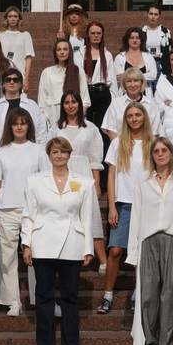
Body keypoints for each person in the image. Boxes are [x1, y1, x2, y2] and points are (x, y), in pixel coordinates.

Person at [21, 137, 97, 345]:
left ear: (69, 154)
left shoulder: (84, 182)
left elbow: (87, 217)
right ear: (49, 155)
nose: (59, 155)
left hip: (73, 243)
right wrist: (26, 244)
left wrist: (88, 248)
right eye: (55, 152)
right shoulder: (34, 181)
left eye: (63, 152)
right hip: (42, 243)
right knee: (44, 297)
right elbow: (28, 214)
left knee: (70, 298)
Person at [128, 137, 173, 345]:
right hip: (148, 239)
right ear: (151, 155)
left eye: (164, 150)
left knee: (170, 293)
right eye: (156, 151)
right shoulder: (143, 181)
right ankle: (150, 344)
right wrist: (133, 251)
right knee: (148, 294)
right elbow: (136, 216)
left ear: (171, 153)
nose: (160, 154)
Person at [0, 108, 49, 315]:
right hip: (7, 208)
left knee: (36, 255)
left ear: (29, 125)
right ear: (10, 126)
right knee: (7, 256)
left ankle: (38, 297)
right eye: (15, 123)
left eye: (23, 123)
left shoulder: (39, 150)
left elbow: (45, 180)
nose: (19, 127)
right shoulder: (1, 152)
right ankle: (12, 301)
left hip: (33, 209)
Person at [98, 103, 154, 314]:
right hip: (123, 203)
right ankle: (107, 294)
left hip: (147, 204)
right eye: (130, 115)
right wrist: (112, 206)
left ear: (144, 117)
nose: (134, 118)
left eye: (138, 114)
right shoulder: (117, 143)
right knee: (115, 250)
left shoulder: (153, 142)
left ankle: (137, 294)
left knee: (142, 251)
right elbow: (111, 176)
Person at [55, 90, 108, 269]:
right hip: (63, 174)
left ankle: (103, 260)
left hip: (84, 174)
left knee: (91, 216)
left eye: (74, 102)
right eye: (67, 102)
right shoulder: (56, 128)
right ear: (62, 106)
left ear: (79, 104)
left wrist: (97, 184)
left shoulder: (90, 128)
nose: (70, 106)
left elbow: (94, 158)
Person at [0, 68, 48, 164]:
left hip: (27, 156)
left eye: (15, 80)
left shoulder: (32, 106)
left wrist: (42, 154)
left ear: (20, 84)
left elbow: (41, 132)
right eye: (8, 80)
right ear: (3, 84)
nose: (12, 82)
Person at [100, 68, 163, 140]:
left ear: (142, 83)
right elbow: (111, 130)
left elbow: (155, 132)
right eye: (129, 81)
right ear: (124, 84)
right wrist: (120, 146)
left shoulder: (151, 104)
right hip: (121, 145)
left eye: (136, 81)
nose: (132, 85)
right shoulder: (116, 104)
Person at [78, 21, 116, 139]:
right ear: (88, 34)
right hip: (86, 93)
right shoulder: (80, 53)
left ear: (102, 34)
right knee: (87, 127)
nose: (96, 36)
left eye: (98, 33)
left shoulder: (107, 55)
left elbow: (112, 80)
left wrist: (114, 100)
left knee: (103, 128)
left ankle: (104, 150)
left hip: (103, 94)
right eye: (93, 33)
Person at [39, 38, 90, 122]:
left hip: (74, 117)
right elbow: (42, 100)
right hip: (52, 116)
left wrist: (77, 119)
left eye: (65, 49)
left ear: (70, 52)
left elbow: (85, 100)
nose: (62, 52)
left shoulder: (78, 71)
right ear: (55, 52)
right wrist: (46, 119)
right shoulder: (47, 72)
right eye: (59, 49)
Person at [0, 6, 35, 94]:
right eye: (10, 16)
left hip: (19, 75)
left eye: (15, 16)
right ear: (6, 18)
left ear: (19, 19)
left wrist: (26, 79)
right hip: (3, 75)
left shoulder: (25, 35)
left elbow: (28, 58)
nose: (13, 19)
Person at [114, 26, 159, 92]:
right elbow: (119, 78)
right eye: (132, 38)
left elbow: (153, 76)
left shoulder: (149, 57)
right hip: (125, 93)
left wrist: (128, 76)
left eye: (137, 38)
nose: (134, 40)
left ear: (141, 40)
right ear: (127, 40)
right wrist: (142, 77)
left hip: (145, 94)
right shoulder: (120, 57)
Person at [141, 3, 173, 80]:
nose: (153, 17)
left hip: (160, 64)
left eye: (156, 14)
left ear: (159, 16)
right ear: (147, 14)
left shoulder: (165, 32)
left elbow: (170, 51)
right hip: (146, 63)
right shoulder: (142, 32)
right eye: (151, 14)